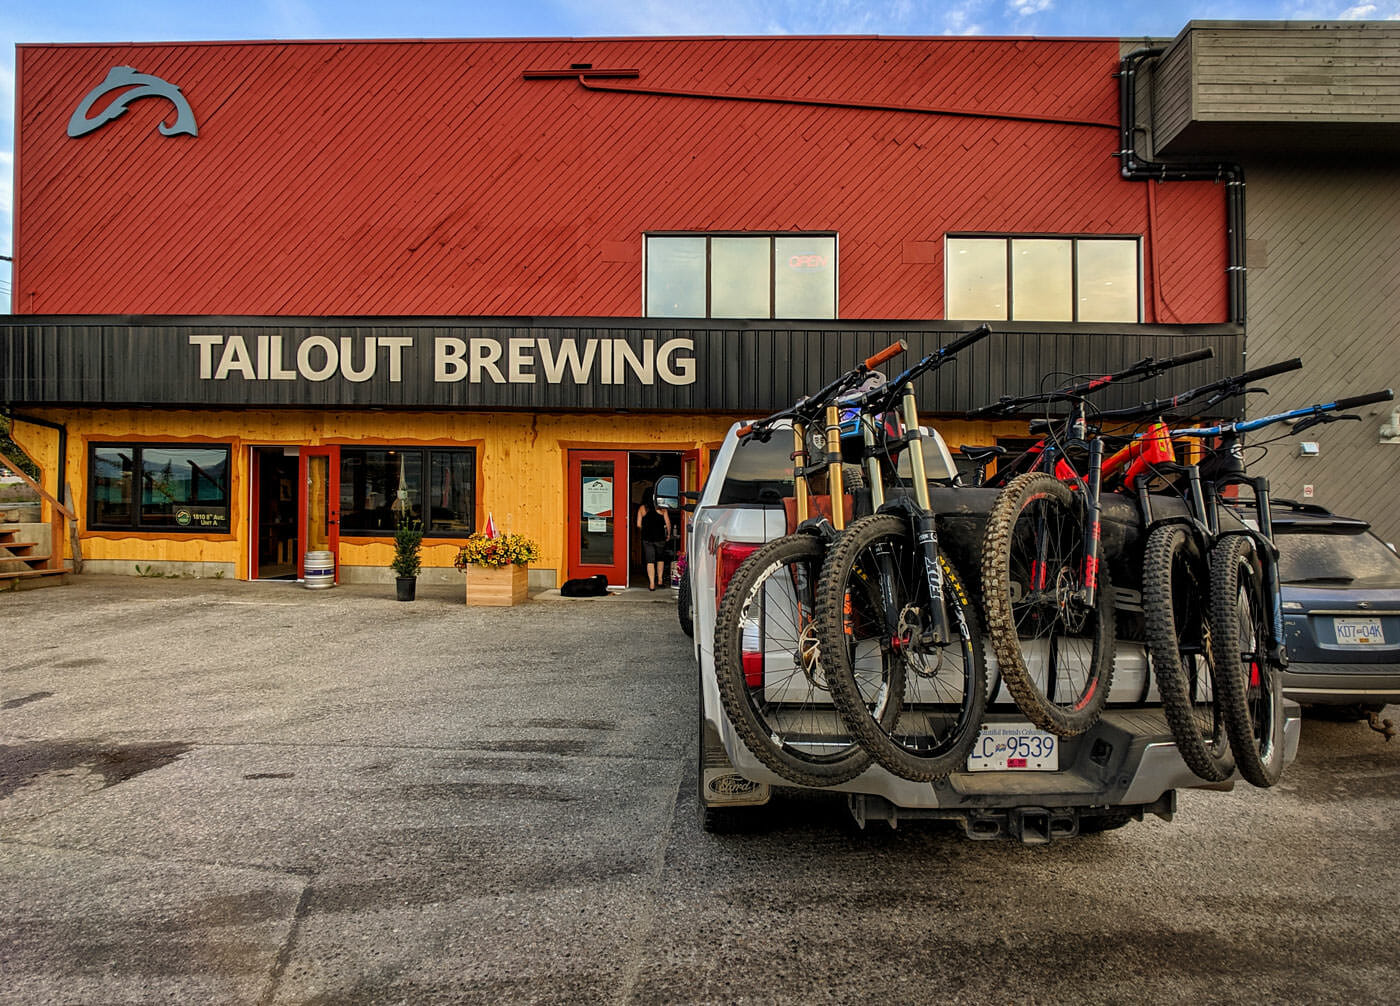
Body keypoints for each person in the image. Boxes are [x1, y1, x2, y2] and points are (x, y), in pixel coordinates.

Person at [636, 492, 672, 591]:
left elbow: (638, 524)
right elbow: (668, 523)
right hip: (660, 537)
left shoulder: (642, 508)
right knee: (660, 559)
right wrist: (668, 534)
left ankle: (652, 584)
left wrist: (645, 527)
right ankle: (660, 580)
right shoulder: (662, 508)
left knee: (650, 560)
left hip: (647, 538)